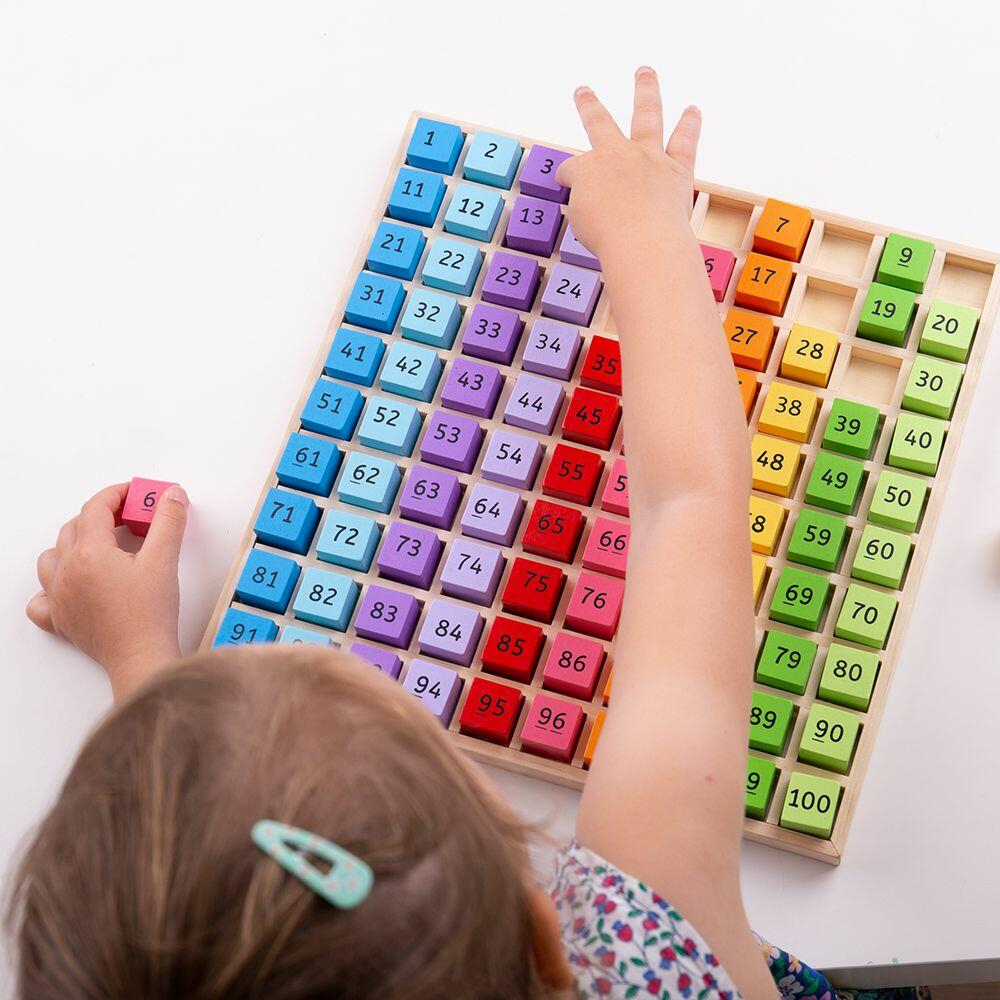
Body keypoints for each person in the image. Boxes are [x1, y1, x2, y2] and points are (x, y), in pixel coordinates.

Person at [12, 68, 926, 1000]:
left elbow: (199, 919)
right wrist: (650, 235)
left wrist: (139, 657)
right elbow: (689, 503)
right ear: (546, 930)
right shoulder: (644, 937)